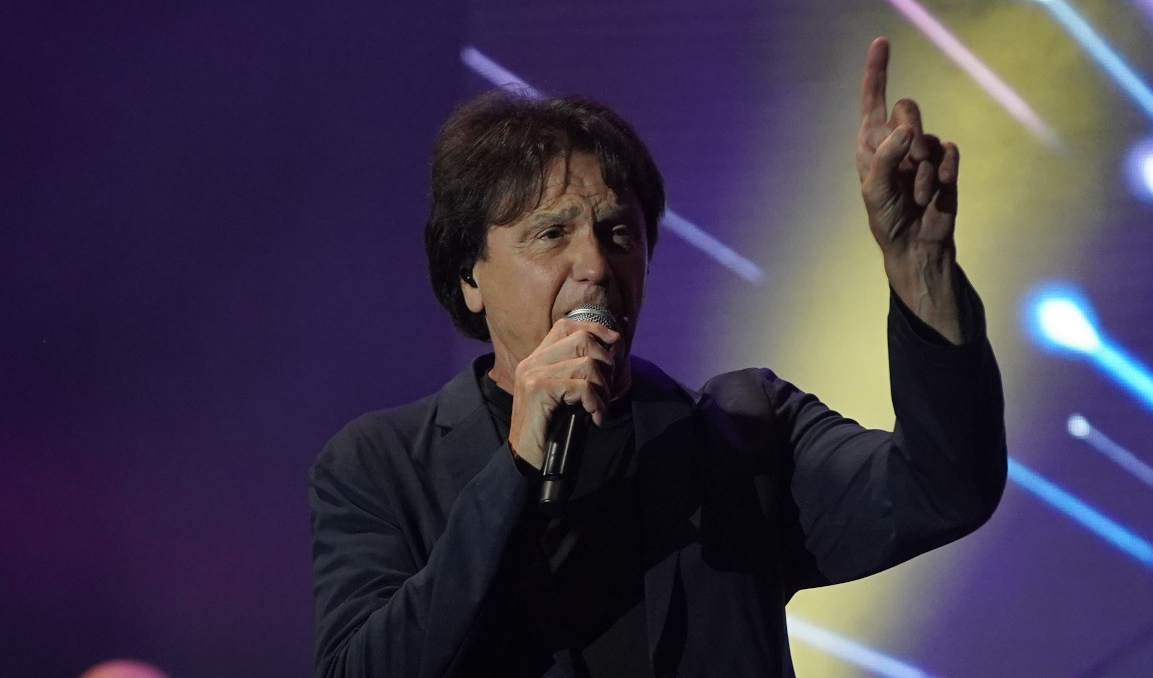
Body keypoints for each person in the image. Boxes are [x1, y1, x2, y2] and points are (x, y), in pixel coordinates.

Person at [308, 37, 1006, 678]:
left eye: (619, 232)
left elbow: (944, 489)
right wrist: (516, 468)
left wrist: (922, 269)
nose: (595, 265)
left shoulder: (745, 433)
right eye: (551, 234)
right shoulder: (382, 465)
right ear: (470, 275)